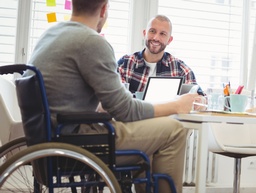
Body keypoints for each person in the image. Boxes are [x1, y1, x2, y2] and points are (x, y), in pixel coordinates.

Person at [27, 0, 198, 192]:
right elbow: (125, 110)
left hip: (52, 138)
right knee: (174, 130)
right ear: (103, 9)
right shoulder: (91, 42)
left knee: (151, 134)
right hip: (79, 140)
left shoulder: (49, 35)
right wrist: (176, 105)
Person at [117, 14, 204, 96]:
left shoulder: (180, 69)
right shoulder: (125, 64)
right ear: (144, 34)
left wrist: (199, 99)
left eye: (162, 34)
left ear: (169, 40)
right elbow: (115, 98)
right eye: (152, 31)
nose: (156, 38)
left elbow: (201, 97)